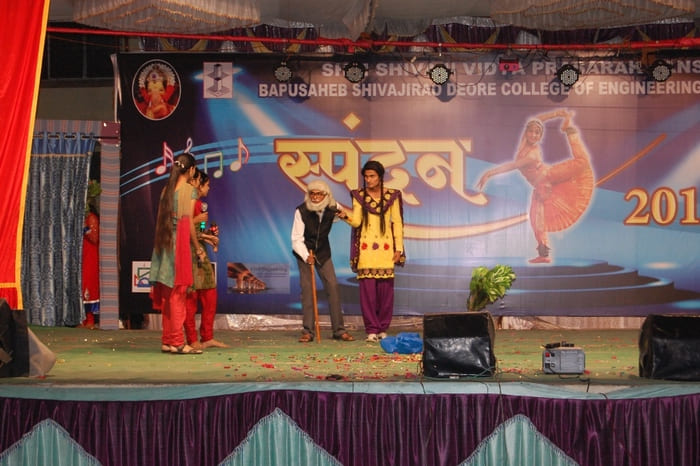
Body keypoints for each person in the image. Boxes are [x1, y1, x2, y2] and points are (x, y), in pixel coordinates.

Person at [476, 109, 594, 263]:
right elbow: (538, 119)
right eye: (531, 131)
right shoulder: (524, 143)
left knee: (582, 162)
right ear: (526, 132)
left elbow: (512, 165)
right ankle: (544, 255)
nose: (533, 135)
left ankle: (570, 131)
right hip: (539, 187)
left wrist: (489, 173)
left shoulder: (533, 155)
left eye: (537, 133)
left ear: (540, 136)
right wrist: (556, 114)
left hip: (550, 175)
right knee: (536, 221)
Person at [337, 161, 405, 343]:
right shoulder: (359, 195)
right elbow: (357, 222)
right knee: (368, 294)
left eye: (372, 176)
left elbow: (397, 223)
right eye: (366, 176)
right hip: (366, 249)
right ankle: (372, 330)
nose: (368, 180)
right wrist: (344, 216)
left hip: (386, 248)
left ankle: (383, 328)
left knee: (385, 294)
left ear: (380, 177)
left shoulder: (392, 195)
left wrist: (399, 248)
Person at [149, 152, 204, 354]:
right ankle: (178, 342)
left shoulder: (166, 189)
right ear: (191, 170)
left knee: (167, 295)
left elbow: (160, 221)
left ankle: (168, 341)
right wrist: (197, 247)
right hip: (178, 245)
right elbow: (187, 223)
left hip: (163, 244)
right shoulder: (189, 190)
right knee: (177, 295)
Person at [292, 180, 354, 343]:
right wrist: (306, 255)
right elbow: (296, 239)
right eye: (312, 193)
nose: (315, 197)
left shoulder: (332, 206)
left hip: (323, 252)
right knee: (307, 290)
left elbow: (343, 214)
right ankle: (308, 331)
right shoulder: (301, 211)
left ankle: (339, 330)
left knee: (333, 286)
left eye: (319, 194)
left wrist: (343, 216)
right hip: (305, 252)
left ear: (326, 195)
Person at [185, 171, 228, 349]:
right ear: (197, 183)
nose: (209, 188)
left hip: (201, 252)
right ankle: (192, 339)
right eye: (207, 185)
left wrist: (210, 236)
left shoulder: (201, 205)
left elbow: (199, 230)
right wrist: (203, 232)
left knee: (209, 295)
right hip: (190, 253)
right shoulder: (189, 203)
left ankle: (207, 336)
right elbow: (183, 229)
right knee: (191, 298)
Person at [80, 180, 101, 329]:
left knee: (88, 285)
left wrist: (84, 228)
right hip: (81, 256)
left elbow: (94, 238)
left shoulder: (91, 218)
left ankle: (90, 319)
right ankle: (81, 319)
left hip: (90, 256)